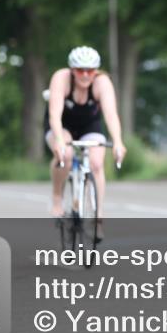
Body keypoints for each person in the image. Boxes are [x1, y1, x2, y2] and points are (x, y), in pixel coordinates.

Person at [45, 46, 126, 228]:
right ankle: (57, 198)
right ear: (73, 70)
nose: (85, 75)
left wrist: (118, 142)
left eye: (90, 71)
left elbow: (111, 115)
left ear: (95, 71)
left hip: (89, 124)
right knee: (65, 154)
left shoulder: (102, 82)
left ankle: (98, 214)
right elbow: (55, 115)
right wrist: (59, 141)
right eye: (80, 70)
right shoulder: (61, 78)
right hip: (62, 124)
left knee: (97, 162)